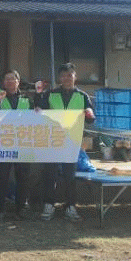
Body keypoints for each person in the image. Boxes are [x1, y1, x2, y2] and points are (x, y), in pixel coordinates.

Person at [37, 62, 95, 222]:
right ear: (59, 78)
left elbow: (90, 119)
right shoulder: (50, 94)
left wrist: (89, 113)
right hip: (52, 140)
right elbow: (39, 112)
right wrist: (38, 110)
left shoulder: (82, 96)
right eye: (63, 76)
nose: (67, 78)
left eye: (70, 75)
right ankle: (49, 205)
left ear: (75, 77)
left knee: (70, 176)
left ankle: (70, 206)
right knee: (50, 174)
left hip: (71, 142)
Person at [0, 70, 33, 221]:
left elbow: (36, 118)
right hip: (3, 144)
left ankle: (21, 208)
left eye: (13, 79)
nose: (10, 82)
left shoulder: (27, 99)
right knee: (0, 178)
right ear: (3, 83)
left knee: (23, 178)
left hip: (23, 144)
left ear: (18, 82)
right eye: (7, 79)